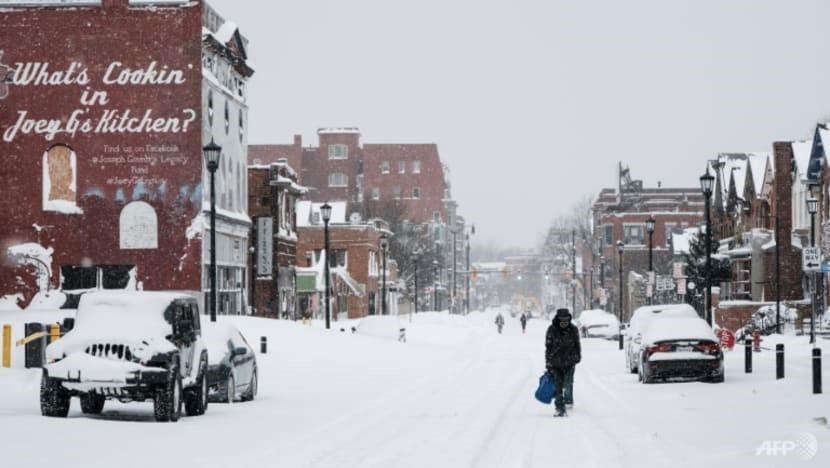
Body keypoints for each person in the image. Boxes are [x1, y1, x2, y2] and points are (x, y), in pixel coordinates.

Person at [545, 308, 581, 417]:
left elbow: (577, 344)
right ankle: (559, 408)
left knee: (568, 383)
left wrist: (578, 356)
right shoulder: (551, 330)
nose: (564, 323)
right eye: (562, 320)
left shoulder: (573, 329)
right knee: (558, 386)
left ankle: (568, 400)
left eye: (566, 320)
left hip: (570, 362)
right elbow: (548, 347)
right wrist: (548, 362)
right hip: (555, 363)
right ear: (558, 319)